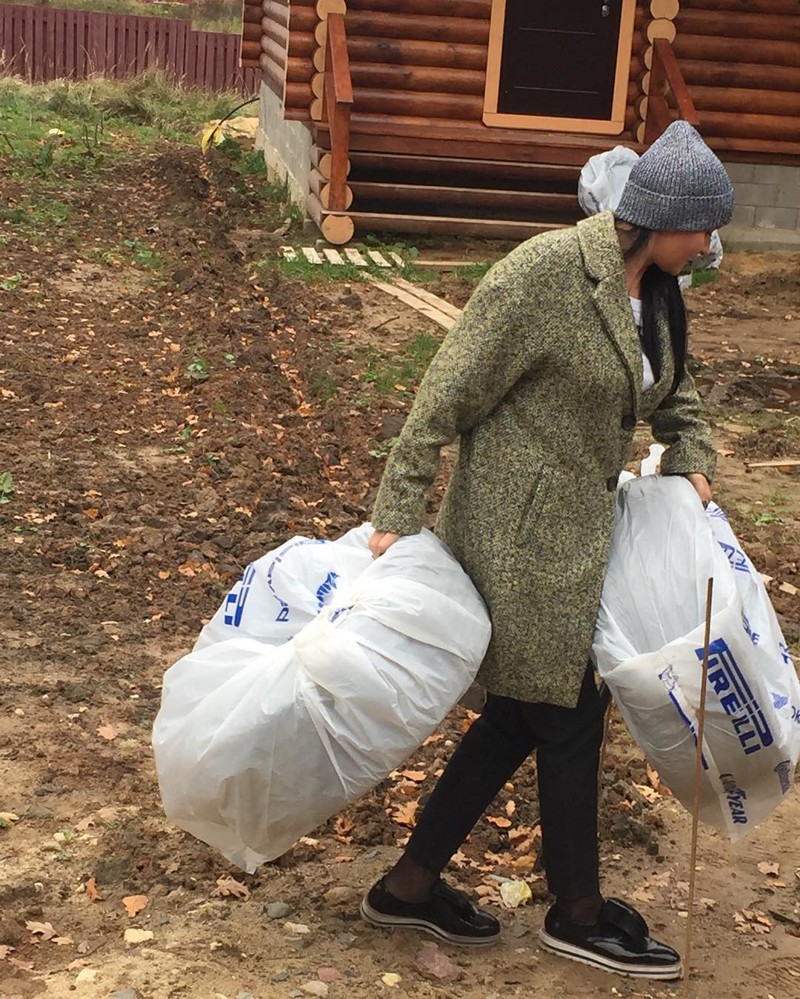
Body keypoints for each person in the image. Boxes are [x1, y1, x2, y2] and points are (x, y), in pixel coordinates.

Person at [358, 120, 735, 981]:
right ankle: (577, 910)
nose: (712, 243)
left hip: (583, 539)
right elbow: (444, 391)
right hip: (514, 532)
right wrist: (395, 509)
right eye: (704, 226)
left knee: (521, 713)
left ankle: (410, 883)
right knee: (567, 709)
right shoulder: (544, 275)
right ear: (663, 216)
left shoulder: (662, 294)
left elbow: (676, 395)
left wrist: (695, 459)